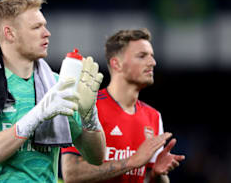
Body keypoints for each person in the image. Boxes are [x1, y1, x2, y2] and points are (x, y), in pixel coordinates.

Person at [0, 0, 106, 183]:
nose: (47, 33)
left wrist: (90, 118)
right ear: (10, 33)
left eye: (44, 25)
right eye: (36, 27)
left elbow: (96, 157)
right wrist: (38, 115)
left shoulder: (55, 84)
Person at [61, 28, 185, 183]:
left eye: (152, 56)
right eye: (142, 56)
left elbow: (146, 178)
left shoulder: (153, 116)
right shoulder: (89, 107)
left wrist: (157, 174)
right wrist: (132, 161)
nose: (152, 62)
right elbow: (72, 174)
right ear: (116, 64)